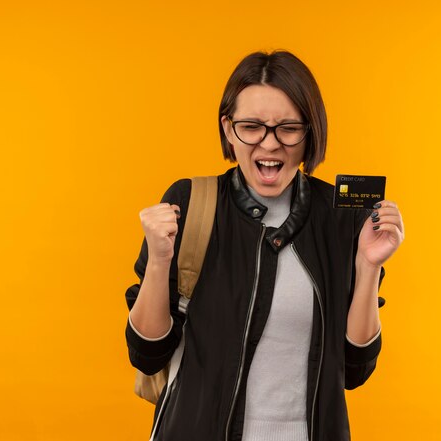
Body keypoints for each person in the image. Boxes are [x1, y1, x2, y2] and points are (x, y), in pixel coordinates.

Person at [125, 50, 405, 441]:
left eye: (288, 128)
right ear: (228, 128)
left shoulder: (341, 219)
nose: (269, 145)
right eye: (252, 126)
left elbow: (355, 370)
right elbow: (146, 353)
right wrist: (158, 260)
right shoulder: (191, 203)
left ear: (310, 132)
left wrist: (370, 265)